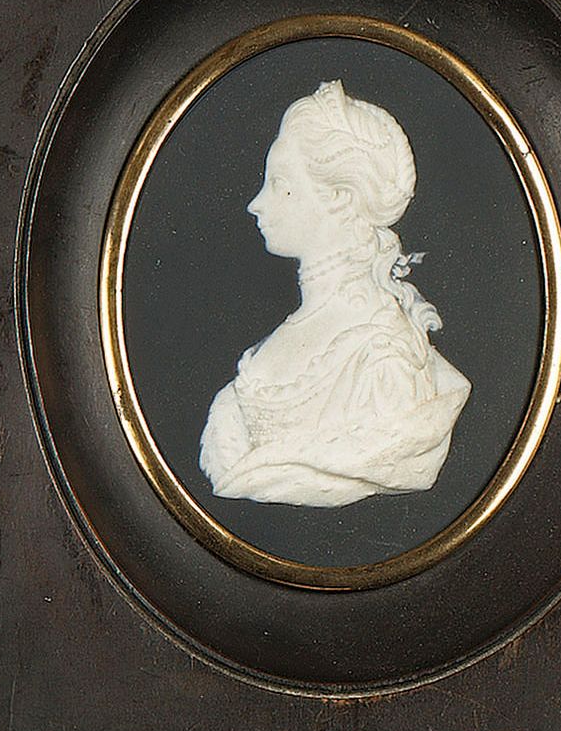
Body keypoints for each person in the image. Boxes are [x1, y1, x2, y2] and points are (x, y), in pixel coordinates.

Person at [199, 80, 471, 507]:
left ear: (341, 198)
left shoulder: (385, 357)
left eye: (279, 183)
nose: (256, 203)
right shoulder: (285, 339)